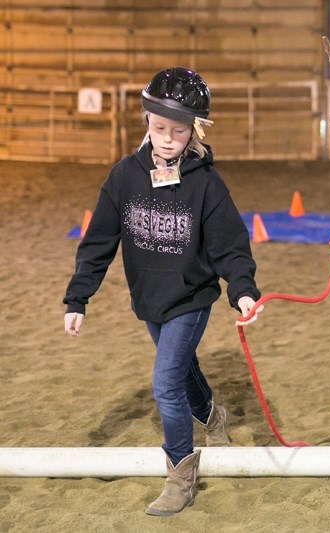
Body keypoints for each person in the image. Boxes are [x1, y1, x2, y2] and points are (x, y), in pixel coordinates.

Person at [63, 67, 263, 516]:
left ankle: (180, 474)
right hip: (148, 299)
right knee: (181, 369)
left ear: (195, 129)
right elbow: (97, 243)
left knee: (165, 383)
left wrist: (243, 290)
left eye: (178, 130)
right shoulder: (123, 177)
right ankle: (214, 417)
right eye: (158, 128)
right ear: (145, 121)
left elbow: (230, 244)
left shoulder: (207, 184)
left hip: (191, 300)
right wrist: (78, 298)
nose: (167, 138)